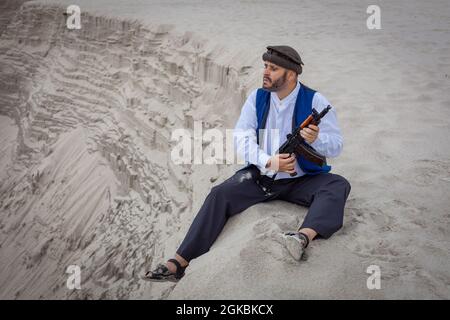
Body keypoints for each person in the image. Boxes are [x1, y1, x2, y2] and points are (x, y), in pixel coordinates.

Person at [143, 45, 351, 282]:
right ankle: (179, 262)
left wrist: (317, 140)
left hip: (302, 180)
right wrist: (268, 161)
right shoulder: (257, 98)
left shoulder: (315, 99)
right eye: (265, 66)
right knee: (219, 194)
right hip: (262, 178)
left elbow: (336, 145)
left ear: (291, 74)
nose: (266, 72)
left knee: (337, 185)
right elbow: (241, 139)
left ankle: (302, 237)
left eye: (273, 68)